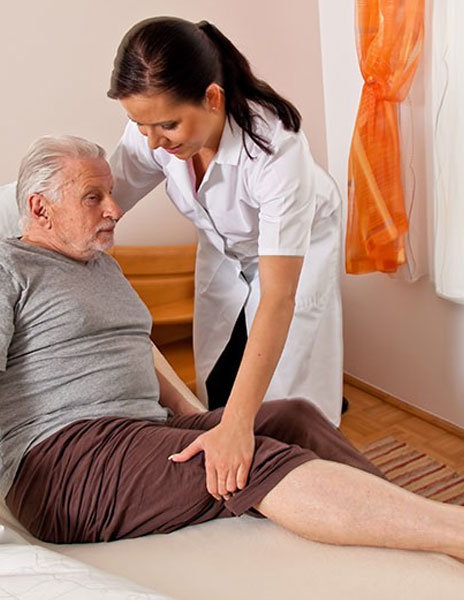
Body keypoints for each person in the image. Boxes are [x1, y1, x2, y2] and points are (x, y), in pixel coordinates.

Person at [0, 135, 464, 600]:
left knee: (289, 416)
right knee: (245, 462)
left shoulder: (101, 269)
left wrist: (201, 420)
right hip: (66, 464)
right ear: (39, 209)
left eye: (111, 193)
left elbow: (139, 354)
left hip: (132, 437)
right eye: (92, 197)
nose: (114, 209)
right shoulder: (1, 268)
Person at [106, 17, 346, 498]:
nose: (152, 142)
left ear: (212, 98)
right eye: (140, 125)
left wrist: (238, 426)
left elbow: (278, 297)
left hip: (299, 249)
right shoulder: (155, 129)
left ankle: (314, 473)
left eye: (166, 125)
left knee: (284, 388)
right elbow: (106, 203)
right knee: (218, 375)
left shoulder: (277, 151)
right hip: (225, 246)